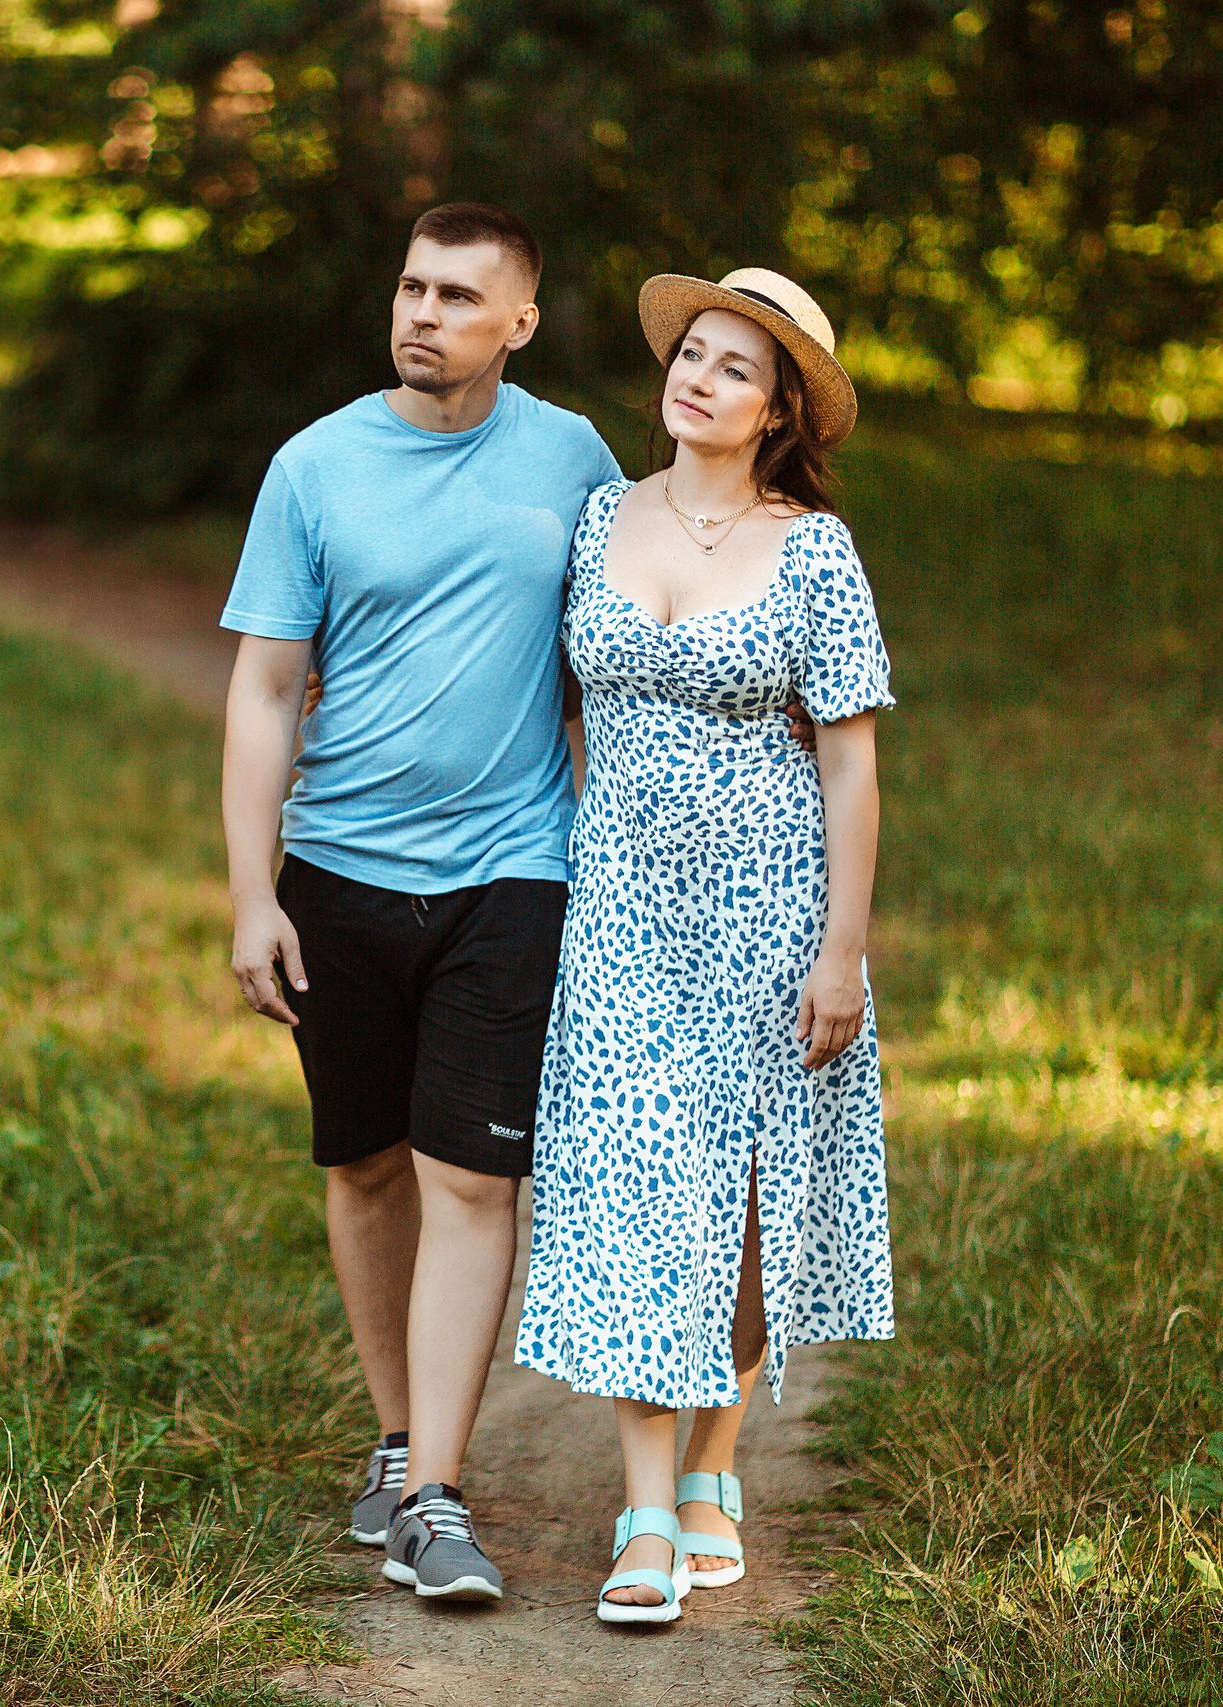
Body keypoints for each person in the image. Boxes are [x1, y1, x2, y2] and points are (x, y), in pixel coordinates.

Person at [221, 201, 615, 1602]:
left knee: (471, 1173)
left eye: (457, 296)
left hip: (515, 869)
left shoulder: (572, 459)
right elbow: (267, 689)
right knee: (365, 1165)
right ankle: (396, 1441)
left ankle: (437, 1494)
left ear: (521, 322)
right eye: (410, 287)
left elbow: (622, 638)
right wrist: (251, 893)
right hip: (337, 873)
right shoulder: (316, 467)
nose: (423, 314)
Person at [511, 268, 897, 1626]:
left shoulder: (814, 553)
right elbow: (545, 697)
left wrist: (841, 952)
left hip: (771, 909)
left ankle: (713, 1465)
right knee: (630, 1189)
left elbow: (850, 765)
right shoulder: (599, 518)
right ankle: (641, 1512)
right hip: (620, 910)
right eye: (693, 353)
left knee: (744, 1205)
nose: (700, 378)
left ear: (779, 409)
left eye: (738, 367)